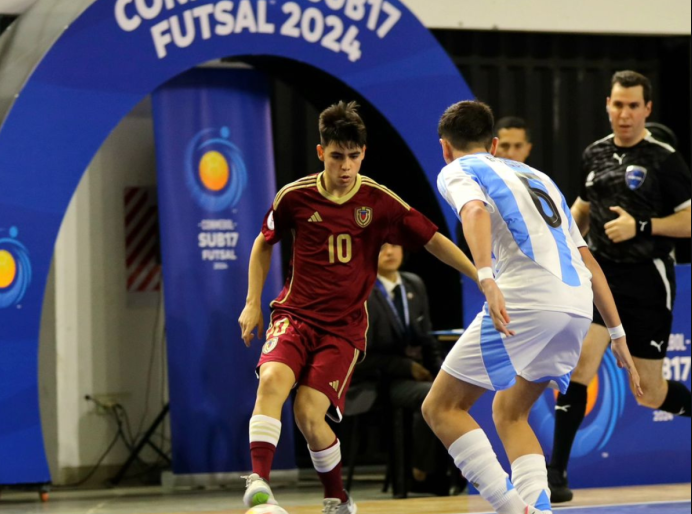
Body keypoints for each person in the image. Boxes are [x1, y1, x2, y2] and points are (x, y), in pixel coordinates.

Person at [238, 101, 478, 514]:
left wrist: (480, 275)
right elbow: (264, 241)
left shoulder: (380, 202)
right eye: (336, 156)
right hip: (294, 315)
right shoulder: (295, 197)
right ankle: (259, 486)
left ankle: (338, 498)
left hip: (343, 330)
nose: (345, 165)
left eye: (352, 156)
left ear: (363, 154)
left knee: (309, 415)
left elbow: (433, 239)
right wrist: (251, 304)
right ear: (321, 153)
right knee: (272, 380)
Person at [421, 100, 642, 514]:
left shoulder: (457, 169)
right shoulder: (541, 177)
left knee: (441, 407)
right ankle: (536, 509)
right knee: (510, 410)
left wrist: (486, 277)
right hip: (576, 307)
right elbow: (588, 260)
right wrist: (617, 333)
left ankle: (511, 509)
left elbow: (473, 210)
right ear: (494, 142)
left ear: (445, 148)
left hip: (528, 298)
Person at [548, 70, 692, 503]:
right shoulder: (593, 155)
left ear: (647, 109)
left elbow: (688, 220)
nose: (624, 113)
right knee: (580, 368)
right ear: (607, 106)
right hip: (600, 277)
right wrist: (556, 247)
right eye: (617, 104)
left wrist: (641, 225)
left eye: (632, 106)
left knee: (648, 393)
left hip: (648, 280)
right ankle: (556, 473)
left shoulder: (665, 159)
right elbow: (582, 209)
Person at [350, 242, 455, 496]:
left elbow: (427, 338)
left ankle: (446, 474)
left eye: (396, 245)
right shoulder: (359, 289)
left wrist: (443, 373)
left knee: (453, 392)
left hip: (413, 374)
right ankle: (419, 470)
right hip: (376, 379)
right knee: (432, 396)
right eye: (382, 246)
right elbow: (359, 355)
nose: (389, 252)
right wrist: (406, 367)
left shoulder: (413, 284)